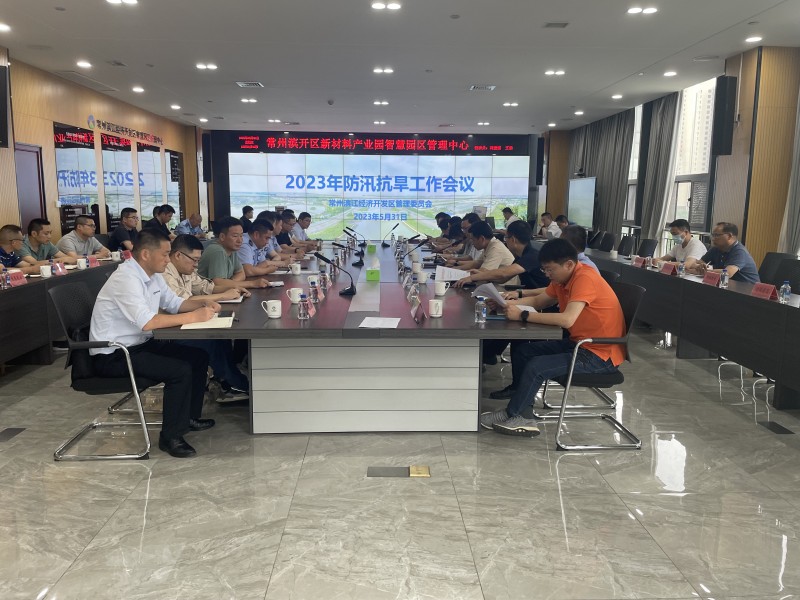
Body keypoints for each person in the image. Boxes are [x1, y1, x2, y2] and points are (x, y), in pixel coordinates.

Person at [89, 230, 219, 458]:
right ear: (146, 254)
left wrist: (204, 304)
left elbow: (175, 303)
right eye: (165, 254)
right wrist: (193, 317)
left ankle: (188, 417)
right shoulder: (126, 279)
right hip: (115, 354)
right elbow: (147, 322)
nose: (169, 259)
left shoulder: (153, 275)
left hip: (140, 344)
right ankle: (171, 437)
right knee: (179, 370)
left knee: (198, 357)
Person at [482, 238, 625, 437]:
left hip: (599, 354)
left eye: (550, 270)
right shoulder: (563, 279)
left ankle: (516, 415)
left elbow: (567, 319)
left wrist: (523, 315)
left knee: (537, 366)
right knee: (525, 351)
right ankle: (522, 409)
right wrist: (505, 304)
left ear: (569, 264)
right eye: (545, 270)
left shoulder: (585, 278)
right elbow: (539, 301)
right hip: (580, 344)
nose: (547, 275)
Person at [163, 234, 251, 401]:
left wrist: (233, 290)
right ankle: (234, 383)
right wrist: (223, 296)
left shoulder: (185, 270)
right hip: (169, 331)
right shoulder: (165, 273)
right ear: (178, 255)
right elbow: (183, 301)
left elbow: (205, 287)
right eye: (194, 260)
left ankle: (226, 380)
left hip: (185, 322)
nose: (196, 265)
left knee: (222, 337)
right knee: (211, 341)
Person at [454, 221, 548, 289]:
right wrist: (481, 274)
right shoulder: (522, 255)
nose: (505, 241)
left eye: (506, 237)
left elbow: (504, 273)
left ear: (513, 240)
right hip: (528, 295)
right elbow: (503, 279)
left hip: (541, 302)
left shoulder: (531, 256)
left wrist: (472, 277)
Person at [197, 216, 270, 289]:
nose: (240, 240)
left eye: (241, 236)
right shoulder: (217, 251)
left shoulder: (232, 250)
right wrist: (252, 283)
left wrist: (229, 283)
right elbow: (218, 283)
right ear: (222, 237)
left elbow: (241, 274)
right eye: (235, 236)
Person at [688, 222, 760, 283]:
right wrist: (699, 267)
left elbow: (728, 273)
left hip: (747, 290)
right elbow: (695, 264)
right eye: (713, 235)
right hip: (727, 286)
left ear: (729, 236)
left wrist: (704, 271)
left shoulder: (739, 251)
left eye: (716, 235)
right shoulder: (716, 248)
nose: (713, 239)